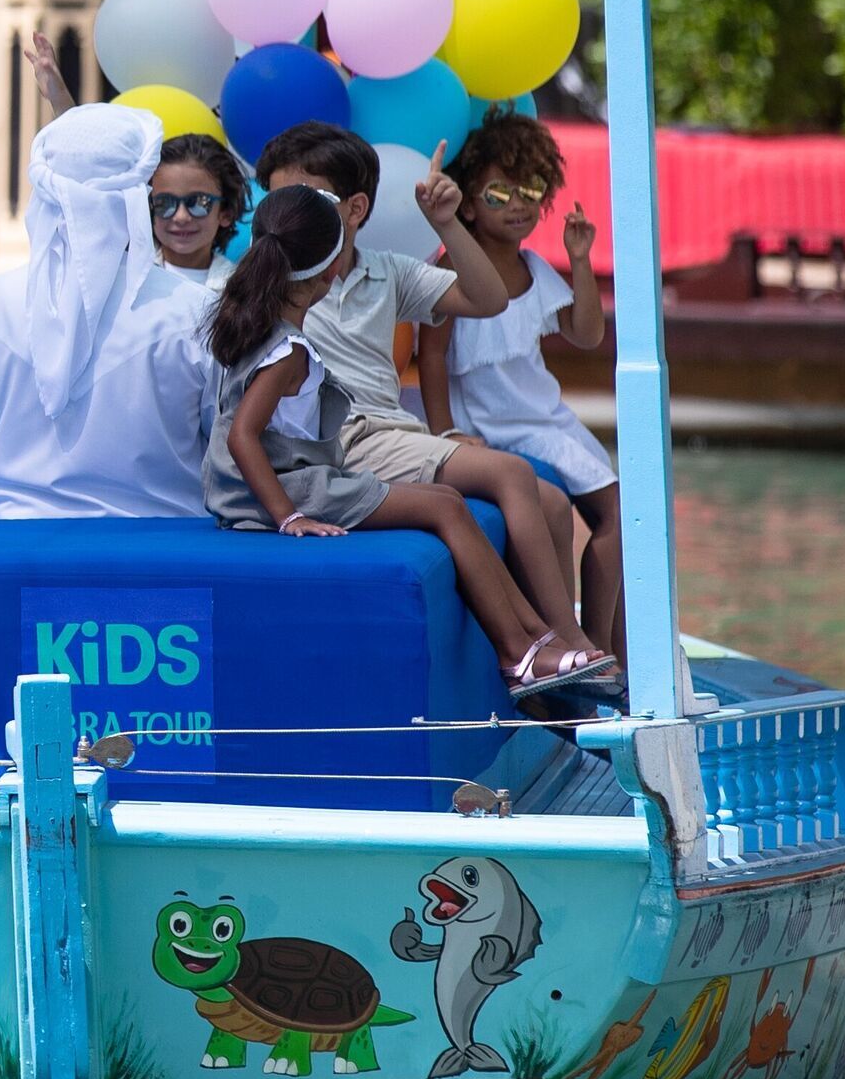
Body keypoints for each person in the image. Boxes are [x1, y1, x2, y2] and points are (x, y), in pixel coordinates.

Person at [251, 120, 615, 693]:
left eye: (308, 200)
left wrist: (445, 222)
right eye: (277, 200)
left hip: (392, 432)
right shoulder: (266, 280)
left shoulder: (387, 271)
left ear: (355, 208)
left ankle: (552, 680)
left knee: (546, 499)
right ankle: (566, 646)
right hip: (345, 440)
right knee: (511, 471)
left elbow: (488, 298)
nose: (287, 214)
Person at [202, 185, 568, 687]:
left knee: (442, 497)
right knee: (447, 507)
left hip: (283, 481)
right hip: (288, 490)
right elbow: (243, 435)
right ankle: (518, 651)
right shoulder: (287, 349)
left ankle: (534, 638)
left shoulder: (253, 317)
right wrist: (288, 516)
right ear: (331, 273)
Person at [0, 102, 211, 519]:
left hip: (11, 569)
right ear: (136, 198)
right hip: (163, 574)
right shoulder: (197, 312)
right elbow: (233, 449)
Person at [416, 112, 622, 657]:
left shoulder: (535, 267)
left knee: (624, 515)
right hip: (491, 427)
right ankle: (584, 647)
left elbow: (585, 334)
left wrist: (580, 260)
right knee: (557, 508)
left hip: (547, 420)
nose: (519, 205)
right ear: (466, 201)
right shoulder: (452, 266)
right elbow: (430, 356)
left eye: (531, 190)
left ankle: (603, 644)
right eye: (499, 192)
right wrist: (445, 433)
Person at [135, 132, 249, 313]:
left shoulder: (242, 293)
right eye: (165, 202)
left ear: (225, 213)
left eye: (199, 202)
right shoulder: (129, 280)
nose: (181, 217)